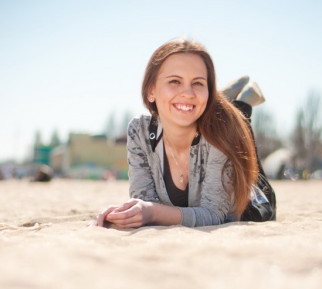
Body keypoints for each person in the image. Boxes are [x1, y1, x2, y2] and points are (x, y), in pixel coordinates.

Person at [95, 39, 275, 229]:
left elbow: (214, 215)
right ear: (151, 91)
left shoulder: (219, 132)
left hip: (253, 204)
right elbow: (145, 201)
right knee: (219, 120)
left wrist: (152, 212)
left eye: (198, 83)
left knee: (232, 129)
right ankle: (221, 102)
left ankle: (242, 105)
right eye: (175, 81)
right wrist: (124, 214)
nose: (188, 93)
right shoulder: (140, 132)